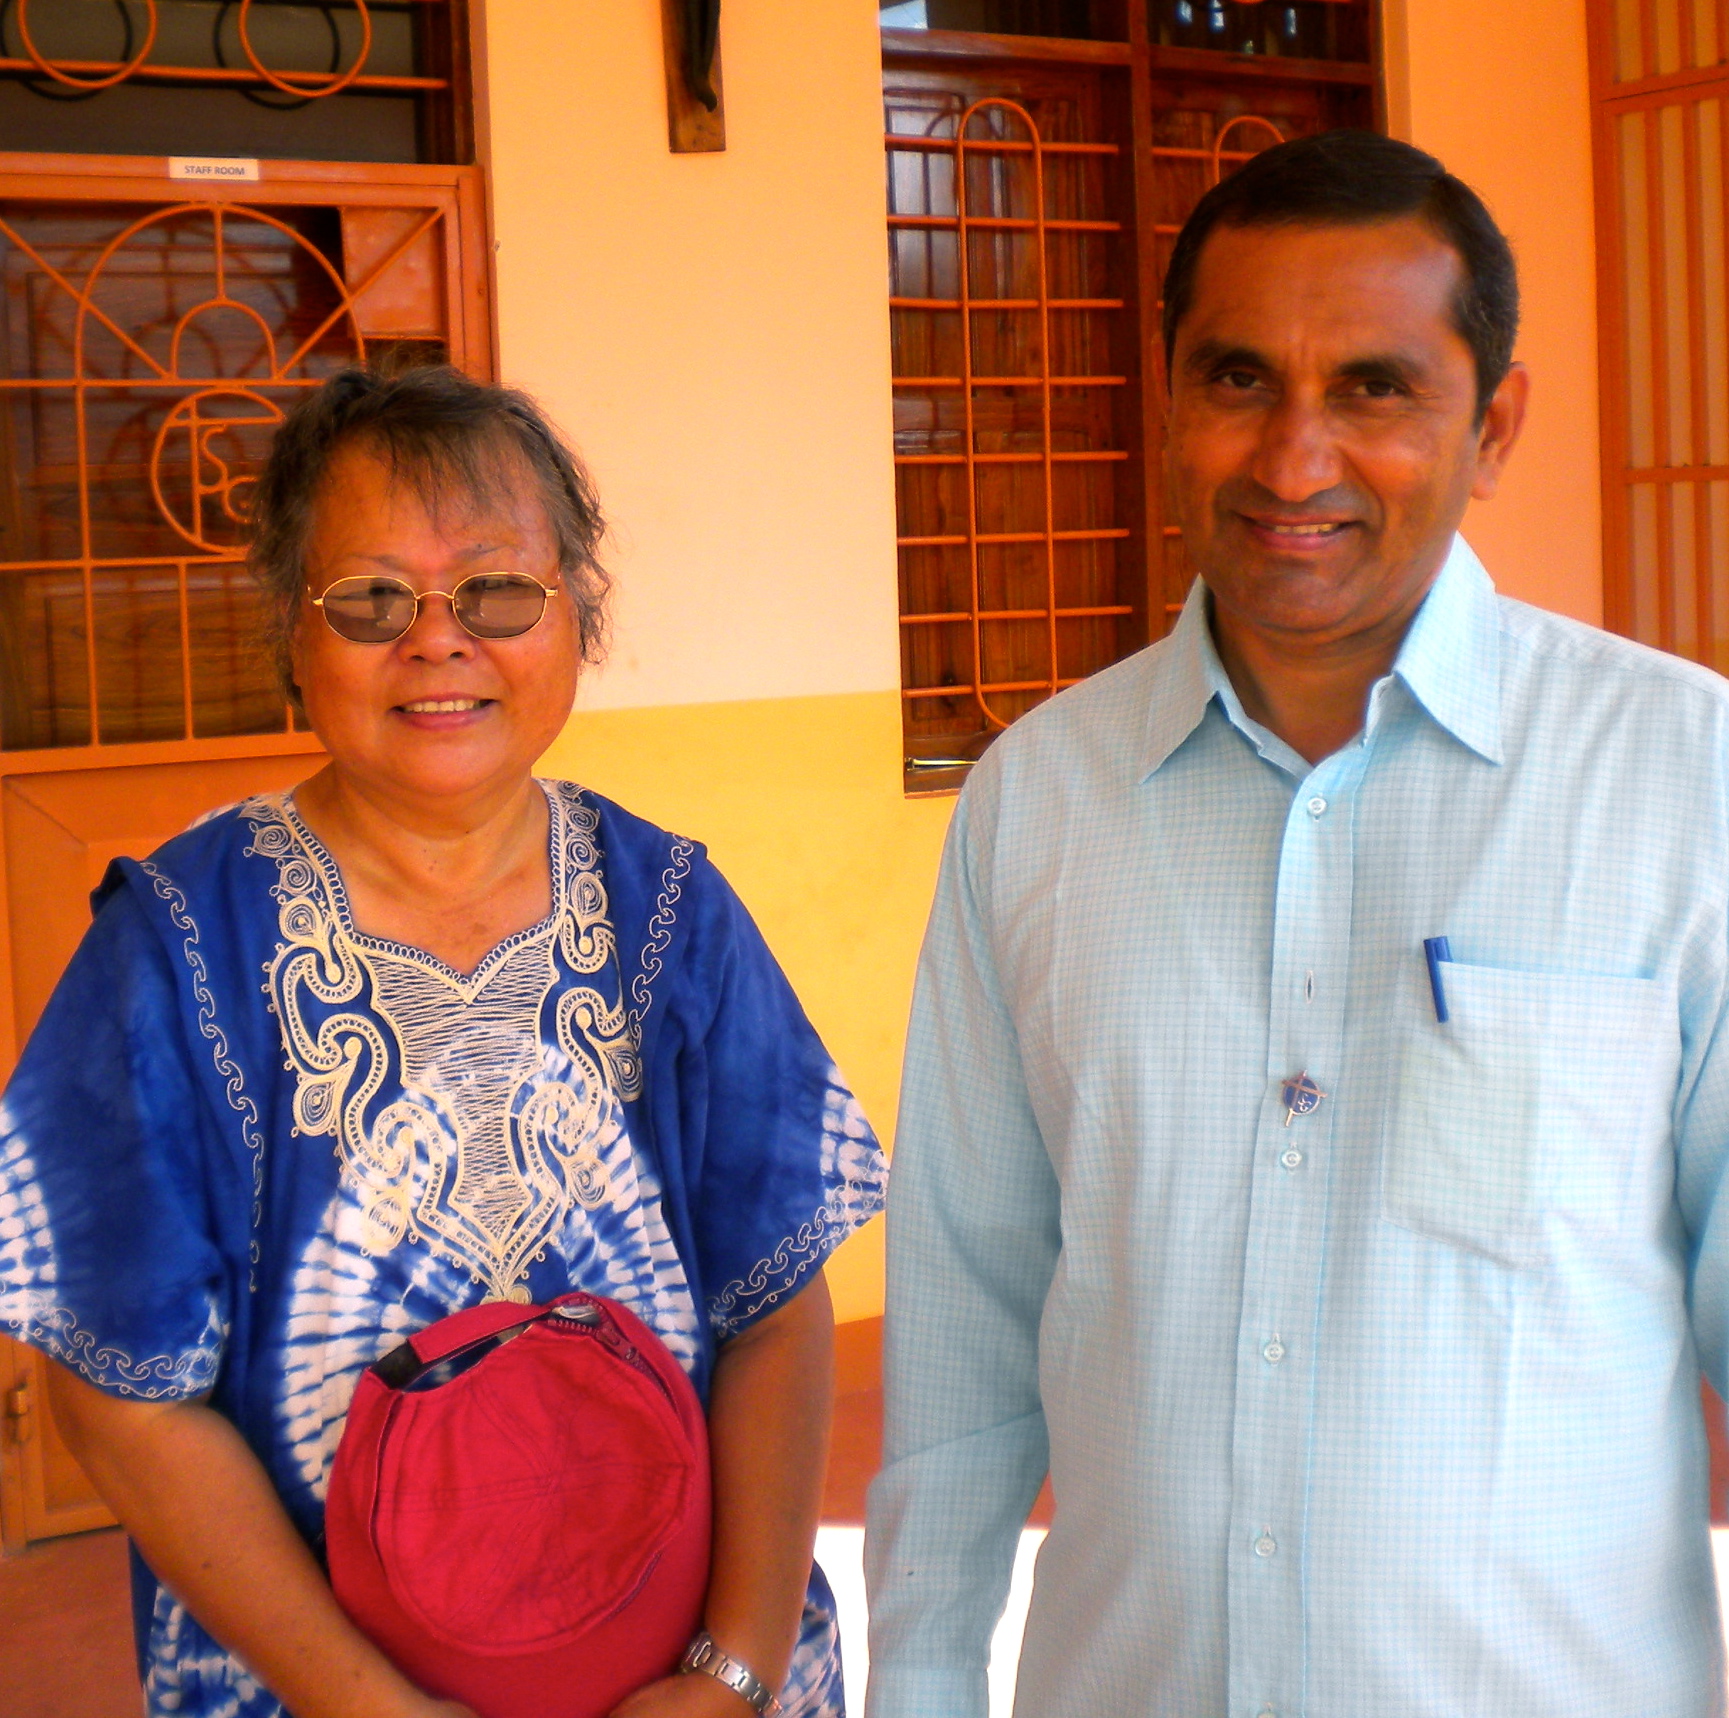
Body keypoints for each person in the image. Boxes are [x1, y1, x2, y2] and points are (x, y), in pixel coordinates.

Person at [863, 128, 1729, 1718]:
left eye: (1376, 389)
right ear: (1169, 399)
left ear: (1494, 421)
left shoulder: (1686, 783)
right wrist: (916, 1682)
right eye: (1238, 379)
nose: (1293, 459)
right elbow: (964, 1326)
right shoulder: (1036, 801)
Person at [0, 364, 886, 1718]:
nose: (436, 638)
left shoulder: (672, 912)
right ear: (290, 635)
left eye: (496, 592)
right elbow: (119, 1392)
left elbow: (771, 1299)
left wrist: (731, 1669)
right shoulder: (175, 951)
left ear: (578, 616)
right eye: (368, 599)